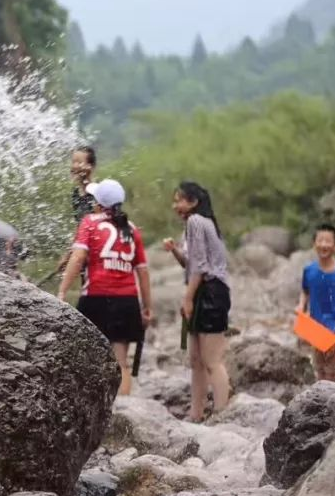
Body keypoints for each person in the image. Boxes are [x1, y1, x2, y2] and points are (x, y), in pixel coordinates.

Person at [58, 179, 151, 396]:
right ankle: (123, 410)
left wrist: (62, 290)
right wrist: (147, 307)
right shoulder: (132, 229)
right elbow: (143, 272)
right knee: (121, 362)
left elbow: (78, 257)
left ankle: (93, 406)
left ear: (98, 203)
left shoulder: (89, 222)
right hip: (127, 301)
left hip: (96, 298)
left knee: (88, 358)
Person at [162, 181, 231, 422]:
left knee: (211, 360)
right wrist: (175, 250)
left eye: (179, 200)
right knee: (196, 360)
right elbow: (190, 263)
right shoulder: (198, 224)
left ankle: (222, 414)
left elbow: (200, 268)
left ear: (193, 202)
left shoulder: (196, 222)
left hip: (210, 292)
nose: (175, 206)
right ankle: (196, 414)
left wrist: (188, 299)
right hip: (206, 290)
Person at [296, 223, 335, 382]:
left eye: (328, 241)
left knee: (332, 375)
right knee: (319, 373)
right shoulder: (309, 271)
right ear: (314, 244)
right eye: (320, 240)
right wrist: (302, 305)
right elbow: (305, 290)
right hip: (316, 330)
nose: (324, 245)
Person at [53, 145, 98, 278]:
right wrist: (69, 254)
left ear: (91, 166)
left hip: (98, 255)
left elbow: (97, 228)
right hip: (83, 253)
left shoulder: (97, 193)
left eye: (79, 162)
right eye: (73, 161)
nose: (74, 166)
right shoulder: (76, 194)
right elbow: (80, 227)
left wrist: (71, 255)